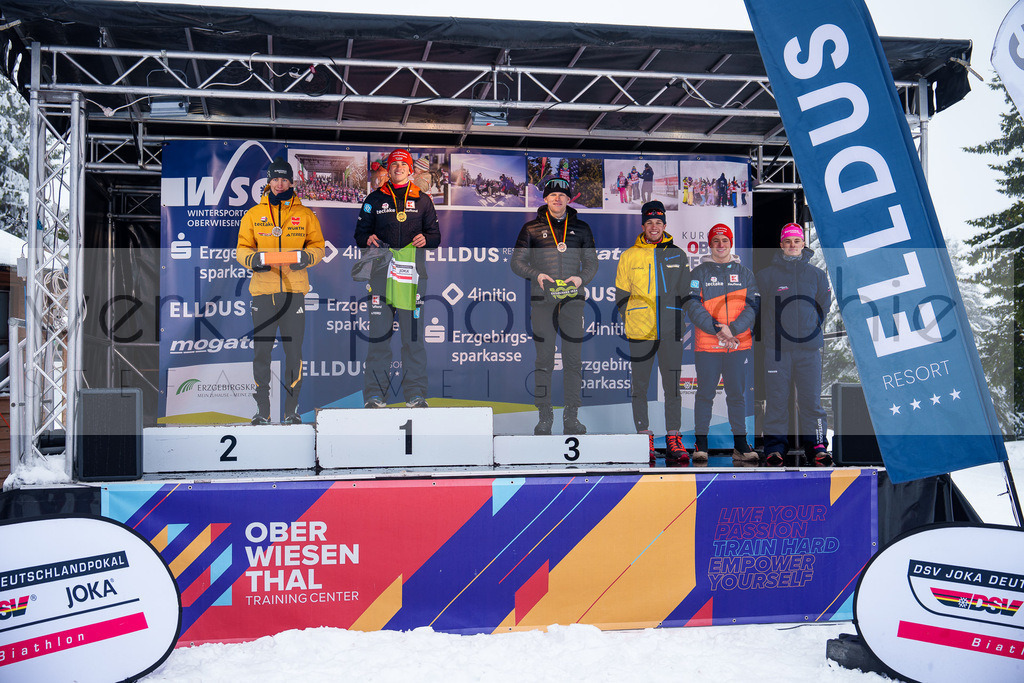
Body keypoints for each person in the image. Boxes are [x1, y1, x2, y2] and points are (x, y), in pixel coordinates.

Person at [236, 157, 325, 425]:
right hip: (262, 292)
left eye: (284, 179)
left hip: (293, 291)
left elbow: (318, 247)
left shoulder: (305, 214)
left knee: (293, 353)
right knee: (261, 353)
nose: (279, 184)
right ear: (268, 181)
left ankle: (291, 410)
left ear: (291, 182)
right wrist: (253, 260)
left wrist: (305, 258)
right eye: (275, 179)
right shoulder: (254, 214)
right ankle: (262, 411)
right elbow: (242, 249)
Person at [354, 148, 441, 408]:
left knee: (412, 340)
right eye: (394, 164)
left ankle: (415, 395)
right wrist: (367, 238)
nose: (399, 168)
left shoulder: (423, 200)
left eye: (403, 164)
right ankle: (374, 396)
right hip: (381, 276)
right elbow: (360, 234)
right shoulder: (374, 199)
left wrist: (426, 239)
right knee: (379, 339)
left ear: (410, 170)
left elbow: (436, 236)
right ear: (388, 170)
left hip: (412, 278)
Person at [511, 177, 598, 435]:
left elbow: (592, 263)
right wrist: (537, 275)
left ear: (569, 199)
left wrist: (581, 278)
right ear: (545, 198)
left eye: (562, 195)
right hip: (542, 301)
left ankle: (571, 417)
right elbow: (517, 262)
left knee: (573, 361)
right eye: (552, 194)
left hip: (573, 301)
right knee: (544, 360)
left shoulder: (582, 228)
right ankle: (544, 416)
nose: (557, 198)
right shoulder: (531, 228)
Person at [615, 201, 692, 465]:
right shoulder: (629, 256)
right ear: (643, 225)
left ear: (665, 225)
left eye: (658, 222)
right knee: (640, 386)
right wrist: (631, 318)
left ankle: (673, 438)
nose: (654, 227)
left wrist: (683, 322)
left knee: (672, 386)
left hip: (671, 330)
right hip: (640, 331)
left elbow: (687, 293)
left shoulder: (678, 255)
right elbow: (621, 295)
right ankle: (643, 437)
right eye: (649, 222)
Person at [757, 223, 832, 466]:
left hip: (808, 349)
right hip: (777, 349)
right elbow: (757, 309)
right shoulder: (766, 276)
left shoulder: (817, 274)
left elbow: (824, 305)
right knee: (777, 400)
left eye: (796, 241)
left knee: (811, 401)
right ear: (781, 244)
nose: (792, 245)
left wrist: (811, 328)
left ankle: (817, 447)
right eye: (788, 241)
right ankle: (775, 449)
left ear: (803, 244)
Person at [686, 223, 760, 462]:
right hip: (708, 345)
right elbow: (692, 305)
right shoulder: (698, 273)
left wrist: (733, 330)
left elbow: (752, 306)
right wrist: (718, 329)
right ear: (710, 244)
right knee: (705, 395)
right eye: (716, 241)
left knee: (736, 395)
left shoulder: (745, 273)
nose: (720, 245)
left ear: (731, 243)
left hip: (737, 344)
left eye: (725, 240)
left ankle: (741, 445)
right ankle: (701, 444)